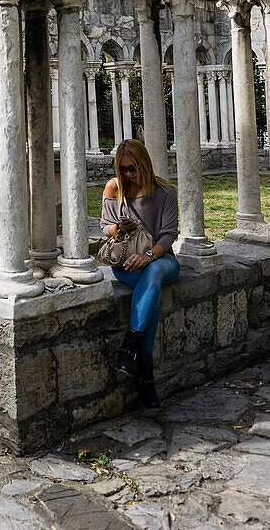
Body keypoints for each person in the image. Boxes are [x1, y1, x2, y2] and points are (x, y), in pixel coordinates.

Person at [101, 139, 180, 408]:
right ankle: (145, 369)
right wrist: (119, 229)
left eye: (132, 168)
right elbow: (105, 226)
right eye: (122, 169)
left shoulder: (165, 192)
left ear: (144, 163)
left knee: (154, 273)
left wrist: (148, 256)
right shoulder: (114, 188)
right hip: (125, 264)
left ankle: (128, 348)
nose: (127, 175)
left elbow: (170, 234)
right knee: (153, 295)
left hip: (161, 260)